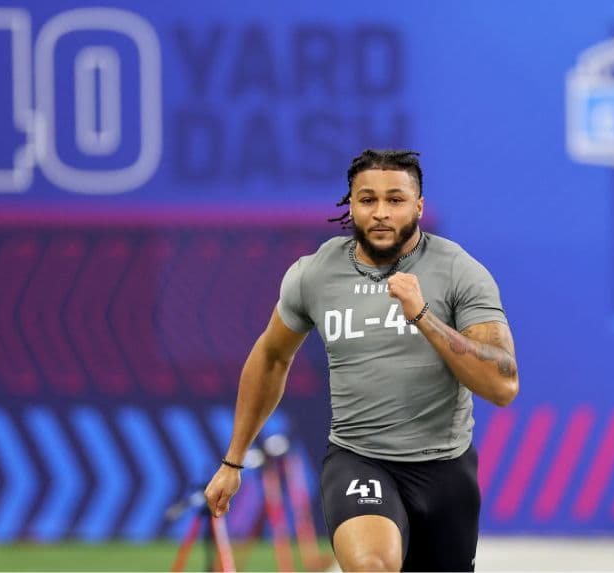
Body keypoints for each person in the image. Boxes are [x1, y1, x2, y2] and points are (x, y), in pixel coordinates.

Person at [204, 149, 519, 572]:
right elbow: (271, 357)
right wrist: (232, 461)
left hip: (444, 468)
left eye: (396, 199)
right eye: (368, 200)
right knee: (373, 566)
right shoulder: (314, 273)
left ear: (419, 206)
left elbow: (502, 384)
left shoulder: (460, 271)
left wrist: (424, 318)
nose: (381, 213)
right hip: (359, 458)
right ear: (350, 205)